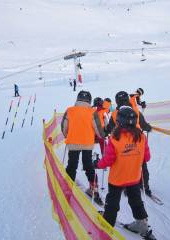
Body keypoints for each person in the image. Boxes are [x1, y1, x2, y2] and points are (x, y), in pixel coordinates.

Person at [93, 106, 154, 238]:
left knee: (112, 202)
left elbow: (108, 160)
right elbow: (147, 157)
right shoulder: (141, 137)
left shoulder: (115, 138)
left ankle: (107, 224)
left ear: (119, 121)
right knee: (135, 200)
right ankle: (142, 224)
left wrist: (97, 164)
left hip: (117, 178)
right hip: (134, 177)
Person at [61, 90, 105, 204]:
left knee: (72, 165)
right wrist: (102, 136)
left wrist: (67, 135)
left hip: (73, 142)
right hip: (87, 143)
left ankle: (67, 189)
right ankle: (94, 188)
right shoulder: (92, 112)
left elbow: (64, 127)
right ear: (89, 100)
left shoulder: (69, 110)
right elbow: (98, 130)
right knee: (88, 165)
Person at [106, 91, 153, 196]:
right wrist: (148, 128)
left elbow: (110, 128)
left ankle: (126, 186)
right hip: (138, 140)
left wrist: (105, 132)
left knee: (124, 164)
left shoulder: (114, 113)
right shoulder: (135, 110)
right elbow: (144, 125)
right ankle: (145, 185)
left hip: (121, 142)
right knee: (141, 163)